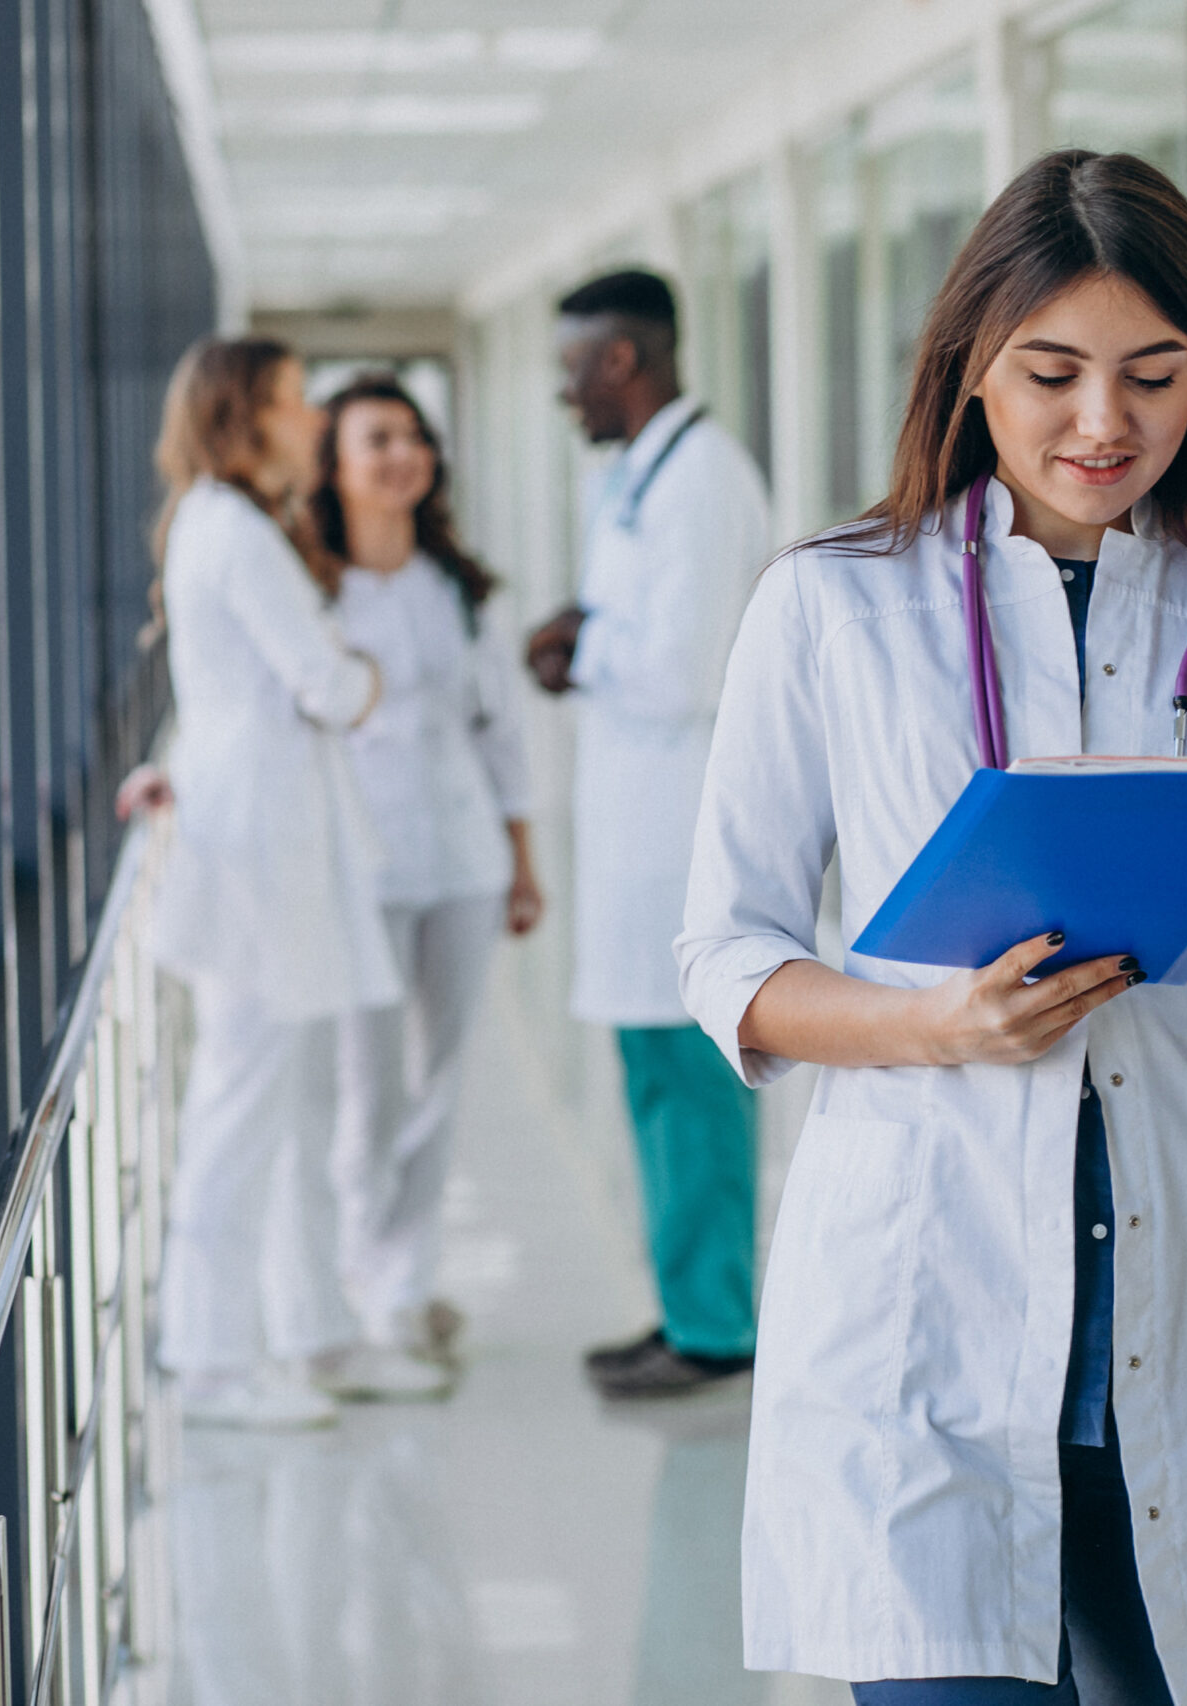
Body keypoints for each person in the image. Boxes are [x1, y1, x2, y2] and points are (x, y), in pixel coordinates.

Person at [676, 150, 1187, 1704]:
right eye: (1054, 372)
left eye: (1154, 376)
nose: (1105, 423)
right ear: (968, 368)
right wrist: (939, 1025)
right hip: (929, 1303)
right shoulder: (830, 607)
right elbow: (728, 958)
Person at [129, 336, 449, 1427]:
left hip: (274, 839)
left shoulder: (227, 524)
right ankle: (212, 1360)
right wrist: (365, 676)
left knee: (298, 1100)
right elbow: (327, 684)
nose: (311, 419)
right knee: (244, 1104)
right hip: (260, 848)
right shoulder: (234, 529)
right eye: (290, 402)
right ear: (243, 416)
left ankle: (312, 1334)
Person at [527, 269, 773, 1398]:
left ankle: (715, 1324)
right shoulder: (643, 475)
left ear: (622, 358)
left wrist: (580, 652)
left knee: (687, 1077)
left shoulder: (703, 482)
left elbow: (680, 665)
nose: (563, 390)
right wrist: (584, 634)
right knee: (654, 1076)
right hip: (634, 819)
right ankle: (685, 1300)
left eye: (571, 365)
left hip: (679, 824)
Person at [312, 372, 545, 1368]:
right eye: (378, 438)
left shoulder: (455, 587)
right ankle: (356, 1283)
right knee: (368, 1093)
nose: (403, 453)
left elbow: (501, 734)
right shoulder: (311, 585)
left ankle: (403, 1287)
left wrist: (523, 862)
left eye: (414, 436)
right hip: (356, 870)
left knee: (440, 1079)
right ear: (333, 463)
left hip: (459, 861)